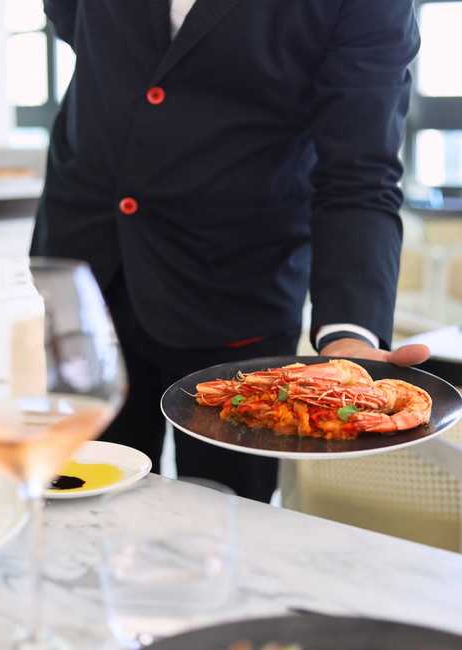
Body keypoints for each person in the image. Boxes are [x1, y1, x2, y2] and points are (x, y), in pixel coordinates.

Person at [31, 0, 430, 502]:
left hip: (236, 287)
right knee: (67, 507)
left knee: (225, 523)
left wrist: (351, 331)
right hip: (81, 266)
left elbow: (360, 175)